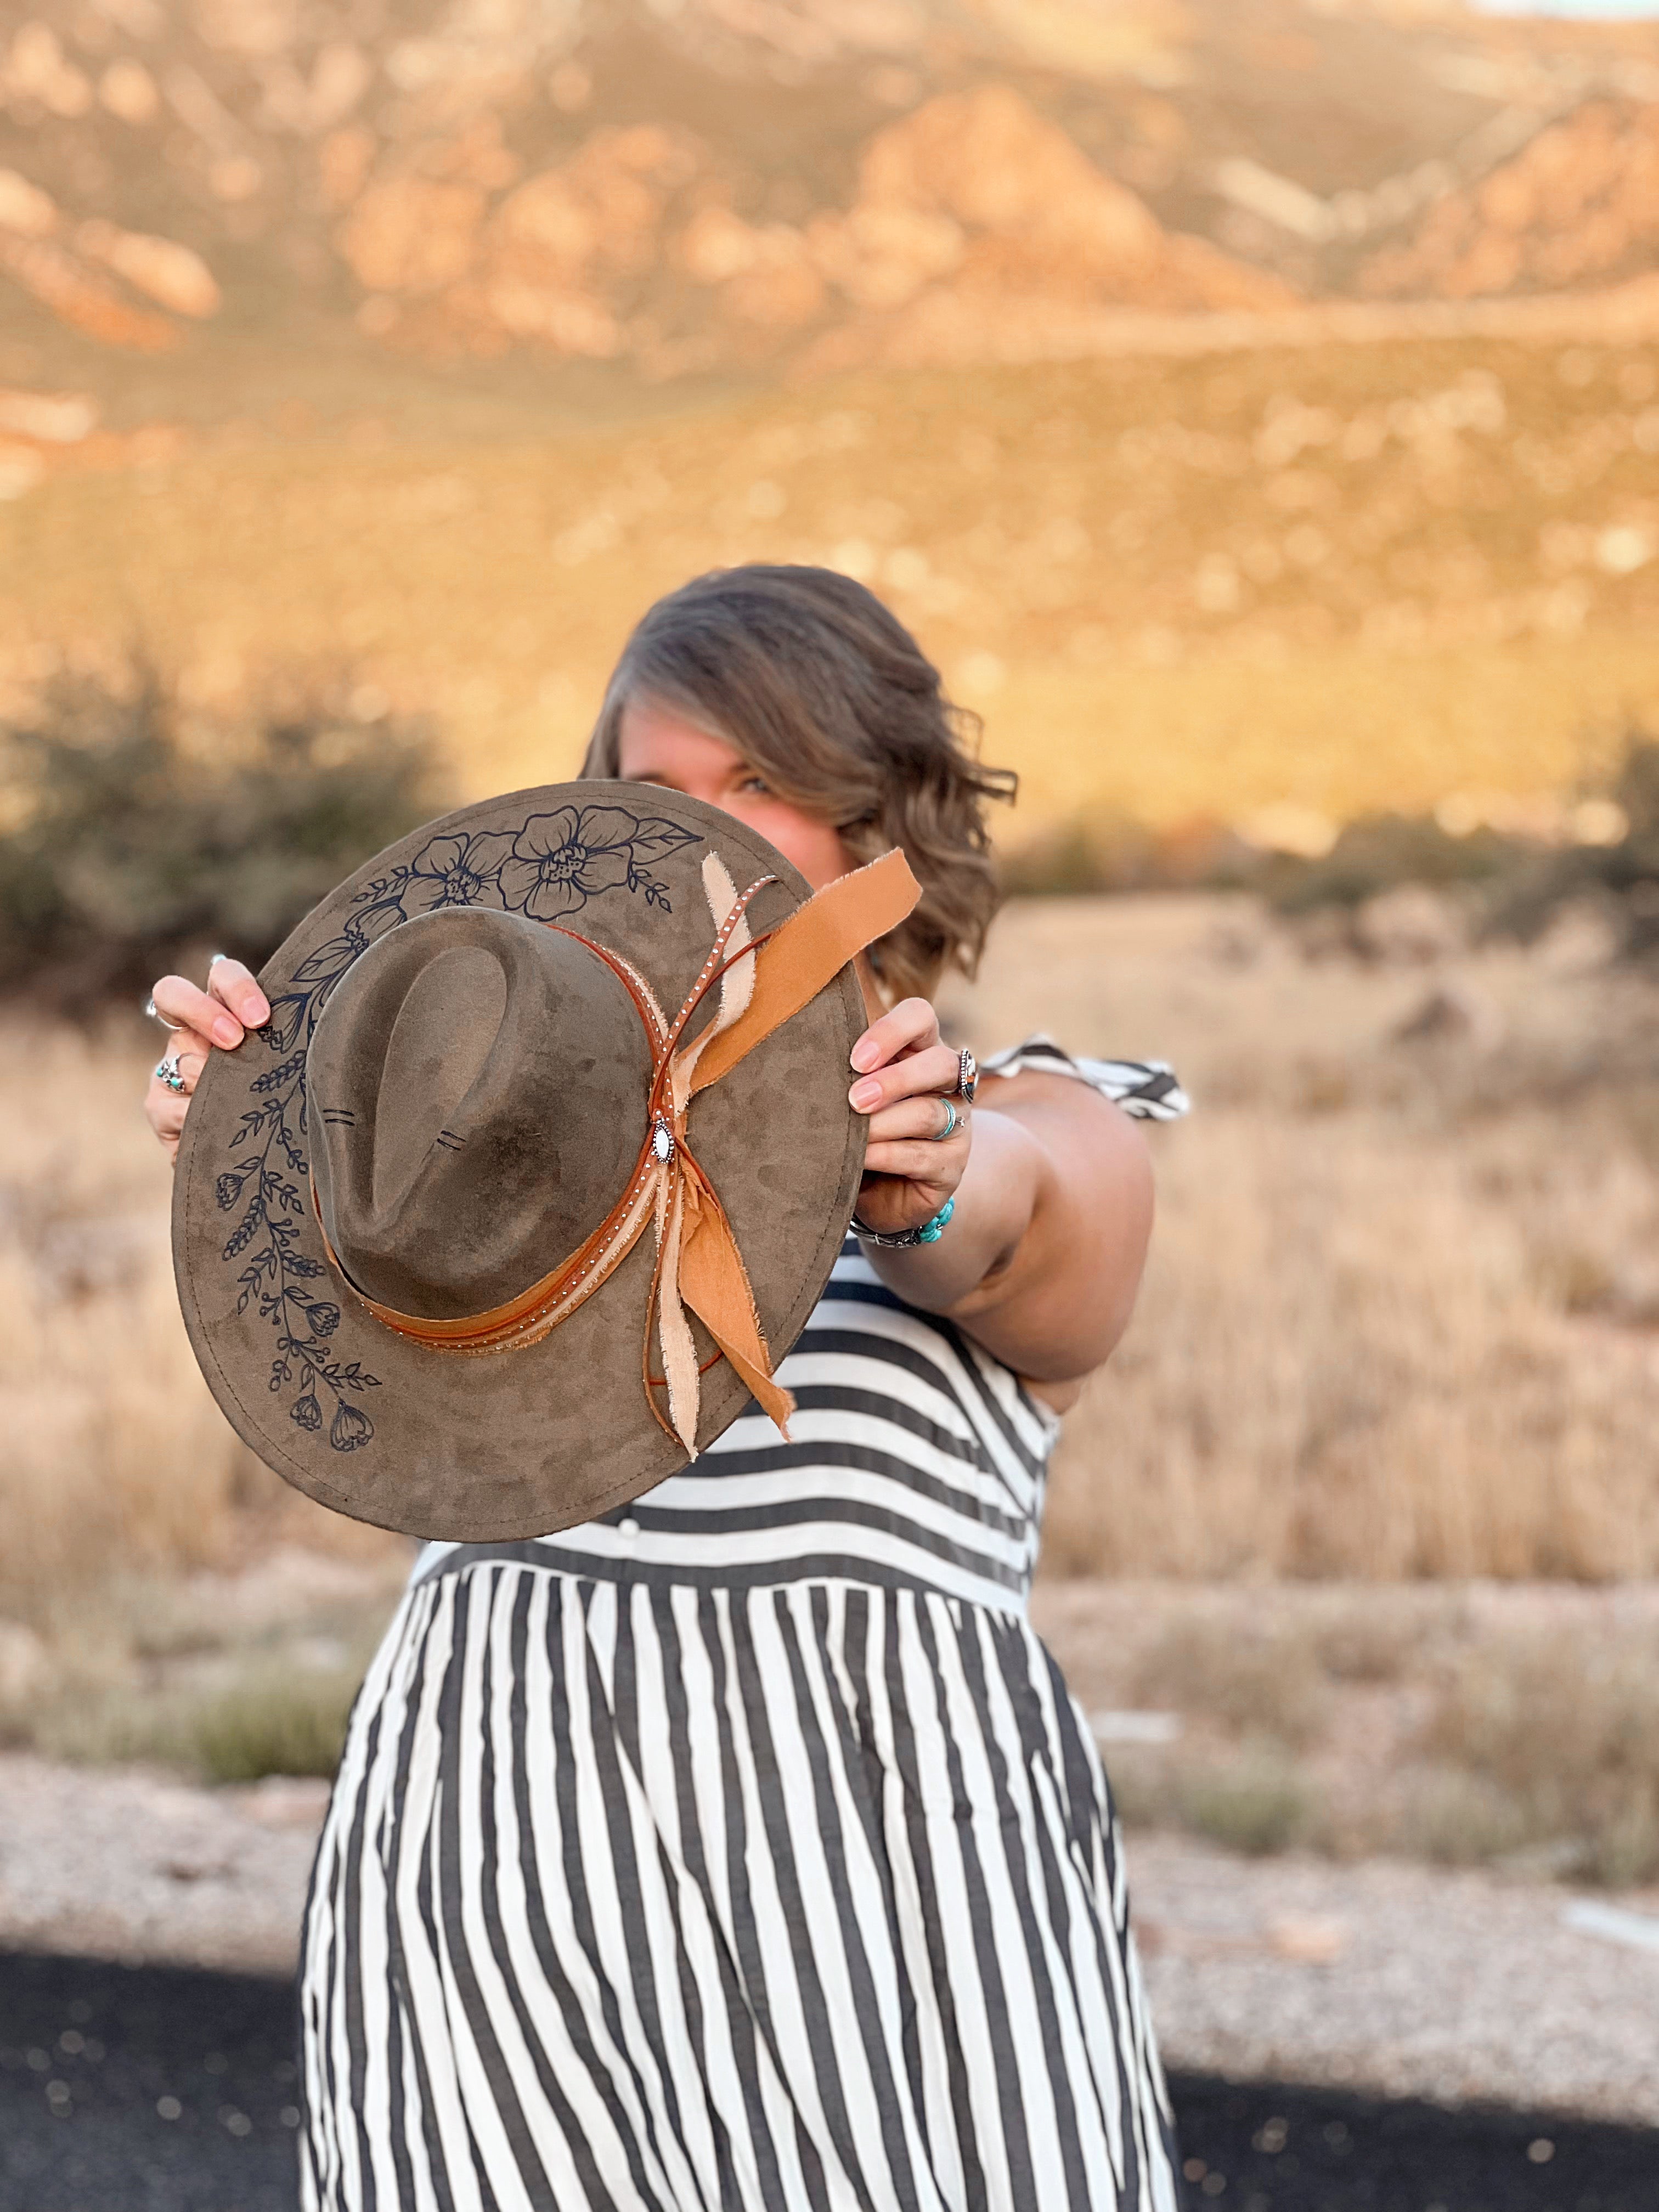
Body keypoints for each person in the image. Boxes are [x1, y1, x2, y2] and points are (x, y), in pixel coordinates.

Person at [145, 565, 1186, 2211]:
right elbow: (332, 1322)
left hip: (881, 1923)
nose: (707, 837)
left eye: (760, 784)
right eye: (654, 793)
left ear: (875, 818)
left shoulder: (1030, 1115)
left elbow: (1017, 1235)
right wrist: (271, 1128)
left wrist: (916, 1173)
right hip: (486, 1877)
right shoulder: (522, 1182)